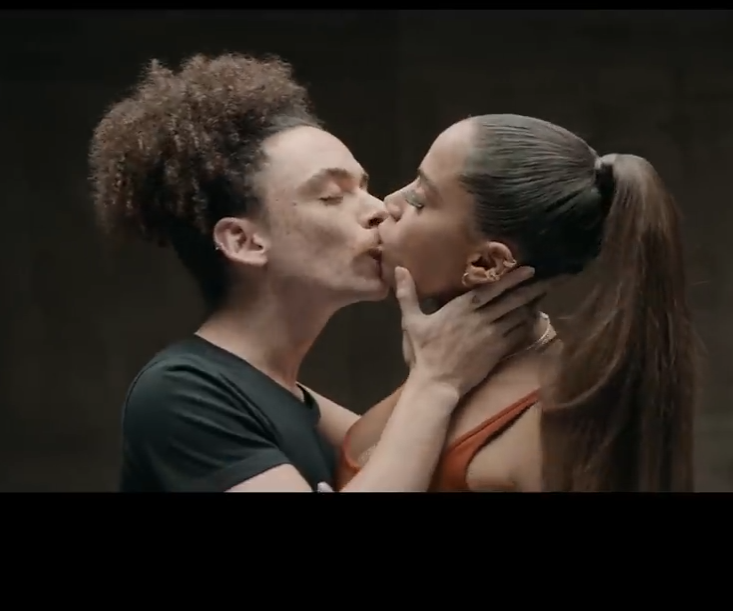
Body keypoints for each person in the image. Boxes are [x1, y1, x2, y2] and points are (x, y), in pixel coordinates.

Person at [88, 54, 549, 492]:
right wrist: (436, 381)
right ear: (244, 241)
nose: (379, 209)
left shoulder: (295, 403)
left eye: (364, 187)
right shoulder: (181, 394)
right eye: (332, 196)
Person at [336, 114, 699, 492]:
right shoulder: (451, 365)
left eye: (419, 199)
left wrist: (433, 382)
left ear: (486, 263)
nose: (389, 203)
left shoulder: (540, 426)